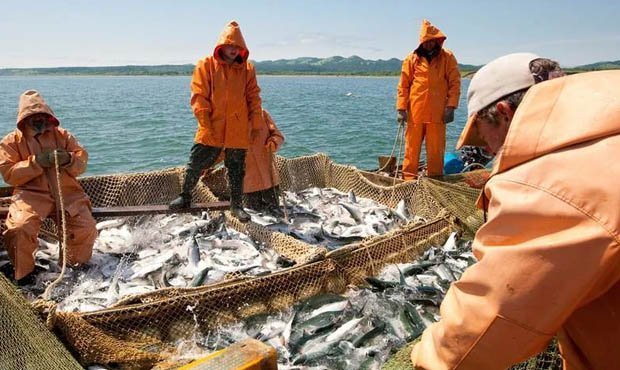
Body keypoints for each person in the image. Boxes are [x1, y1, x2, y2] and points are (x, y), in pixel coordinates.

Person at [411, 52, 620, 370]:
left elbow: (487, 321)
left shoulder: (551, 185)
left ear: (505, 112)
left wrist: (426, 361)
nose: (487, 150)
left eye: (483, 135)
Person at [169, 20, 263, 223]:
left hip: (238, 128)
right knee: (196, 163)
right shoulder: (205, 64)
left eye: (238, 47)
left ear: (242, 49)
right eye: (230, 45)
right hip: (211, 125)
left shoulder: (248, 69)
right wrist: (204, 121)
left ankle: (236, 205)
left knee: (237, 169)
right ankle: (185, 196)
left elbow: (253, 97)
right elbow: (199, 95)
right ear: (222, 45)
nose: (233, 50)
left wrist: (256, 124)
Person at [0, 90, 97, 284]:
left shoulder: (63, 136)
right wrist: (35, 163)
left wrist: (69, 159)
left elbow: (81, 164)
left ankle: (72, 268)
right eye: (32, 117)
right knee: (19, 229)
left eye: (42, 116)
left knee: (86, 227)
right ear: (23, 119)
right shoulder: (10, 142)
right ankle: (24, 274)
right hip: (30, 195)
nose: (38, 120)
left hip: (68, 194)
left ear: (49, 116)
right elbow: (9, 174)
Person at [396, 19, 461, 180]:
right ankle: (408, 180)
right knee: (411, 149)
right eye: (426, 41)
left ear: (437, 40)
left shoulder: (447, 58)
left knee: (436, 150)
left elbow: (454, 83)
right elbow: (403, 85)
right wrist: (401, 108)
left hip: (438, 114)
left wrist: (451, 107)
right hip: (415, 113)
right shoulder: (411, 59)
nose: (429, 44)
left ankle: (435, 180)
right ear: (422, 42)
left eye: (432, 41)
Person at [238, 109, 285, 217]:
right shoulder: (229, 120)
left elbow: (278, 136)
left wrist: (273, 142)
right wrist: (206, 167)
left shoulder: (263, 113)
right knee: (254, 214)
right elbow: (220, 149)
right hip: (248, 184)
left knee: (275, 213)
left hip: (269, 179)